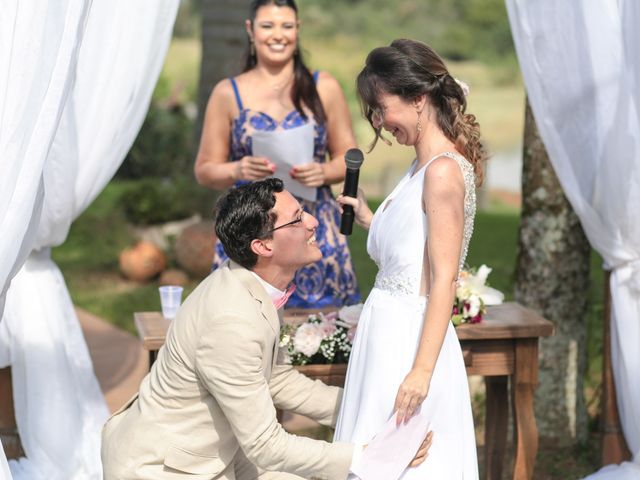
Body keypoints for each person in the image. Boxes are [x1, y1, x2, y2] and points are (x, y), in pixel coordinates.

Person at [101, 179, 432, 480]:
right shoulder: (231, 321)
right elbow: (265, 445)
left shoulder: (258, 284)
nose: (314, 223)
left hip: (215, 454)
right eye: (298, 218)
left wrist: (368, 410)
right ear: (263, 246)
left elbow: (277, 378)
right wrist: (367, 457)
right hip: (163, 468)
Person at [334, 39, 485, 478]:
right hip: (383, 340)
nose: (380, 123)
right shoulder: (419, 167)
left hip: (410, 345)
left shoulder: (441, 171)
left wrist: (420, 373)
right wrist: (369, 217)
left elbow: (442, 280)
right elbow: (412, 250)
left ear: (418, 98)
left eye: (382, 108)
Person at [194, 0, 360, 309]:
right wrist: (238, 169)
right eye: (268, 26)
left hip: (313, 224)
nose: (277, 35)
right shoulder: (227, 93)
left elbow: (348, 158)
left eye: (286, 26)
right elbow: (205, 169)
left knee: (321, 330)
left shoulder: (323, 86)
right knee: (244, 318)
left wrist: (323, 172)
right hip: (252, 228)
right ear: (251, 30)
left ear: (297, 30)